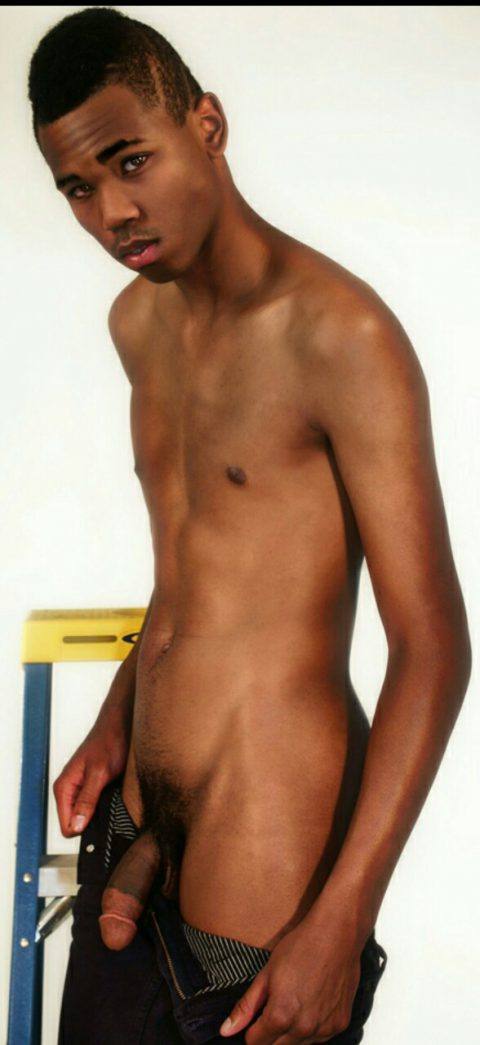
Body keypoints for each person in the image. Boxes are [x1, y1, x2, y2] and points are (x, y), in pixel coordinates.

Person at [28, 8, 471, 1044]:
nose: (112, 212)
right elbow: (191, 564)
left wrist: (344, 917)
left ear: (208, 126)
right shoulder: (137, 323)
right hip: (137, 820)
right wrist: (116, 712)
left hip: (267, 860)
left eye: (131, 161)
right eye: (78, 188)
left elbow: (433, 645)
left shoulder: (340, 334)